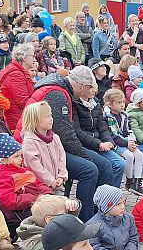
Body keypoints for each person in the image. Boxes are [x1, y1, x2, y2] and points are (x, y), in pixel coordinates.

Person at [15, 67, 105, 221]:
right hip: (38, 166)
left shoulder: (59, 92)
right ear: (82, 86)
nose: (51, 119)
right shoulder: (57, 94)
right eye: (49, 117)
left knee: (105, 165)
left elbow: (61, 151)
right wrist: (84, 157)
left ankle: (98, 213)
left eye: (51, 116)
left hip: (54, 161)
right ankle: (84, 218)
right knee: (90, 170)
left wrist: (62, 174)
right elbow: (65, 135)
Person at [70, 74, 126, 189]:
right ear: (83, 88)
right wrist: (99, 143)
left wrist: (108, 142)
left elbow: (102, 126)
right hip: (85, 145)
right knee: (105, 165)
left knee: (120, 163)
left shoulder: (96, 104)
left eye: (94, 87)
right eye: (90, 88)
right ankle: (102, 197)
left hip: (99, 143)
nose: (94, 90)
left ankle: (112, 195)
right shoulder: (75, 104)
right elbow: (77, 131)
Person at [0, 43, 37, 130]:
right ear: (24, 58)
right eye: (32, 56)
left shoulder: (19, 72)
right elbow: (23, 101)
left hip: (22, 117)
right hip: (18, 120)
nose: (34, 59)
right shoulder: (15, 75)